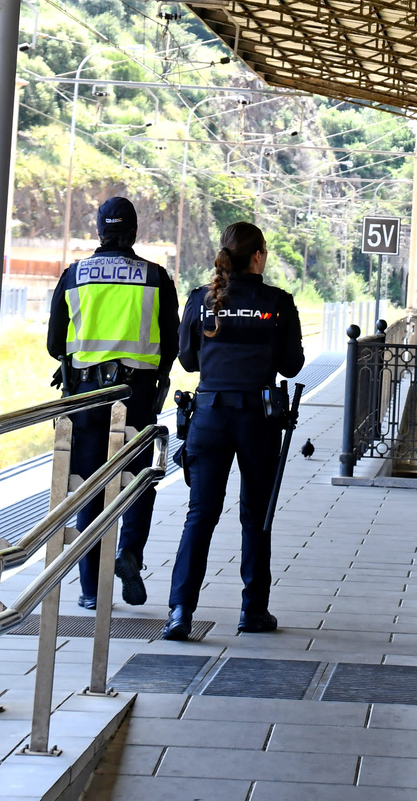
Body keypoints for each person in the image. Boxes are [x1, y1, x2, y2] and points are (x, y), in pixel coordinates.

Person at [162, 221, 304, 641]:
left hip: (208, 418)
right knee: (255, 516)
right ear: (258, 256)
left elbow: (188, 361)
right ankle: (252, 610)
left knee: (200, 515)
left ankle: (181, 613)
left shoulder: (200, 301)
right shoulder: (277, 302)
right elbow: (292, 365)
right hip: (258, 422)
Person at [47, 196, 180, 609]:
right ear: (135, 232)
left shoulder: (74, 276)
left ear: (99, 231)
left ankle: (91, 591)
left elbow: (55, 344)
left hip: (86, 402)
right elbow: (172, 344)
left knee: (90, 491)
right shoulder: (156, 278)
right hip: (137, 399)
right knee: (140, 482)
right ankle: (129, 554)